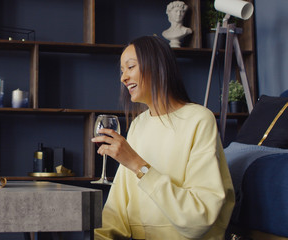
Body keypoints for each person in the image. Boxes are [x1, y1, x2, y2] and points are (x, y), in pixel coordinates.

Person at [93, 36, 235, 240]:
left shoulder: (199, 119)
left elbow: (199, 219)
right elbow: (117, 207)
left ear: (157, 66)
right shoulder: (138, 124)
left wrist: (137, 165)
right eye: (122, 70)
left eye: (130, 67)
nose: (123, 78)